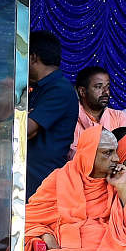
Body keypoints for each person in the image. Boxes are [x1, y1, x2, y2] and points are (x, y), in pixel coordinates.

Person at [26, 31, 78, 196]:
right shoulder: (39, 88)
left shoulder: (59, 89)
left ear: (33, 58)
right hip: (31, 177)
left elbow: (26, 130)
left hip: (42, 182)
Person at [71, 66, 126, 156]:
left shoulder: (120, 117)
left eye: (107, 87)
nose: (106, 92)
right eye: (98, 87)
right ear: (82, 91)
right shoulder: (70, 119)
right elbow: (73, 156)